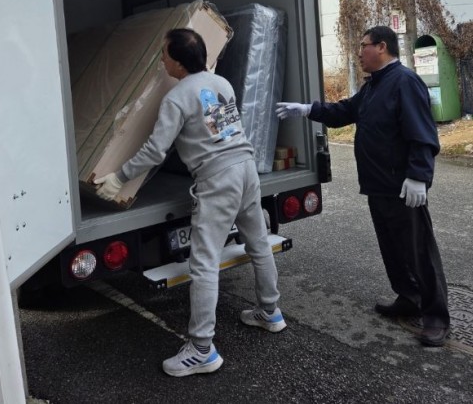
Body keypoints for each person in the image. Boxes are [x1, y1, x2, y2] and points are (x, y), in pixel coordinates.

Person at [95, 28, 286, 377]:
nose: (161, 60)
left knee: (203, 265)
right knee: (258, 244)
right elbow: (218, 129)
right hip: (245, 169)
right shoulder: (221, 83)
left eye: (164, 54)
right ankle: (270, 312)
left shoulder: (177, 97)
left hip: (219, 179)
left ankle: (201, 350)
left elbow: (155, 150)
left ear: (179, 63)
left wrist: (119, 177)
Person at [276, 25, 450, 346]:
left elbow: (422, 134)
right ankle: (409, 297)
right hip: (377, 185)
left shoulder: (405, 82)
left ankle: (436, 317)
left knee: (418, 252)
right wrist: (308, 109)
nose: (359, 53)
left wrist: (418, 177)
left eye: (363, 46)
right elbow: (345, 111)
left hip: (402, 187)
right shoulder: (374, 85)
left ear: (381, 47)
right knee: (393, 249)